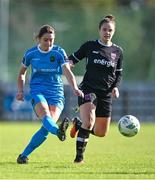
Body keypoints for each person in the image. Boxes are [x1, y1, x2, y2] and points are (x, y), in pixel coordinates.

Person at [16, 24, 84, 164]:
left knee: (47, 127)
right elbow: (22, 73)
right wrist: (21, 91)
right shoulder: (31, 53)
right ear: (39, 39)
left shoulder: (59, 52)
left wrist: (75, 88)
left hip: (56, 93)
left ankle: (23, 155)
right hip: (38, 90)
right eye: (45, 39)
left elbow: (67, 72)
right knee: (46, 116)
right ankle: (59, 131)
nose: (49, 43)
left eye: (51, 40)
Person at [69, 15, 123, 163]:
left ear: (114, 31)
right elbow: (72, 59)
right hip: (88, 89)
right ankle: (79, 158)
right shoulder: (90, 46)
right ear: (99, 30)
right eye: (104, 29)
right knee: (89, 121)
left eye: (110, 30)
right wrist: (69, 64)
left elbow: (119, 74)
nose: (107, 32)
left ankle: (79, 125)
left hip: (105, 93)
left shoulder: (118, 51)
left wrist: (116, 88)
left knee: (100, 132)